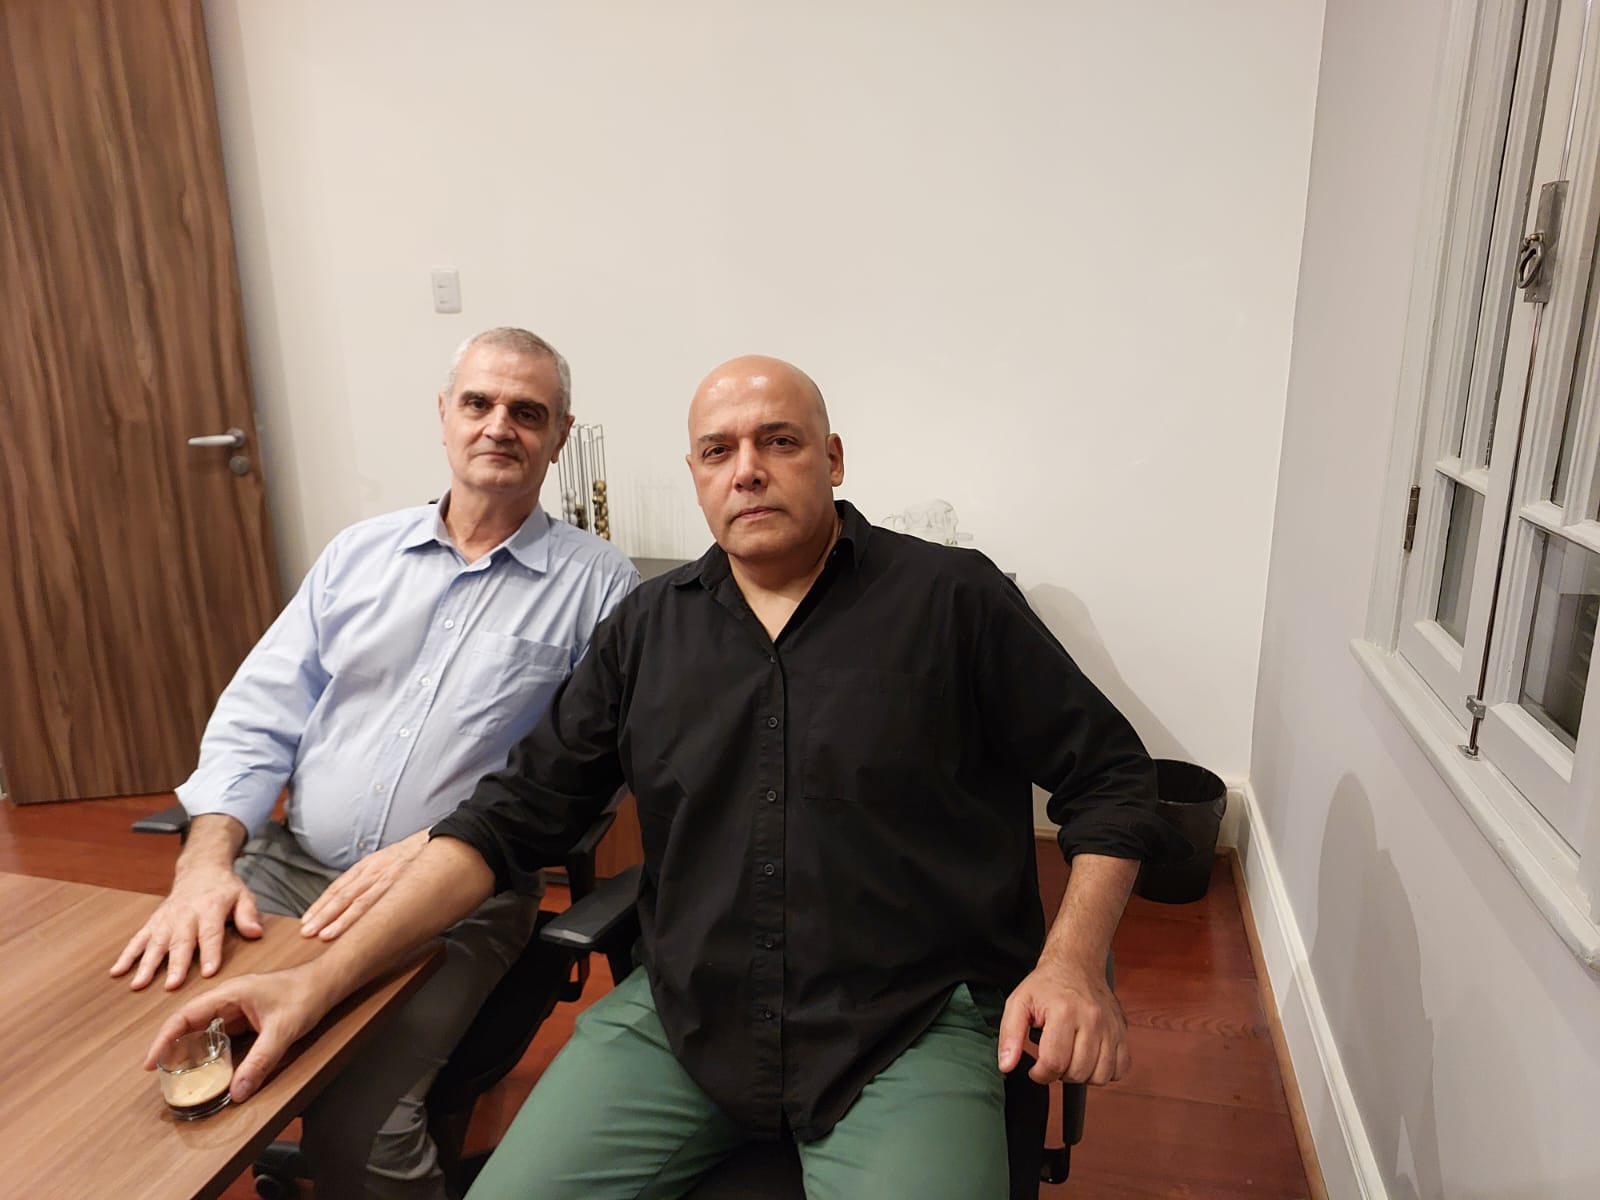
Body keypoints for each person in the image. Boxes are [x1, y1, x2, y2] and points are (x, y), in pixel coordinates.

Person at [149, 354, 1182, 1199]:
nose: (748, 471)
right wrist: (310, 985)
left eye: (779, 442)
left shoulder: (951, 599)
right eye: (718, 451)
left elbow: (1109, 778)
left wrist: (1071, 965)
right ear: (695, 475)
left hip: (906, 1023)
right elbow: (508, 823)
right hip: (688, 1019)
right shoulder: (648, 628)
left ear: (831, 458)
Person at [118, 327, 638, 1198]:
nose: (498, 426)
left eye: (527, 412)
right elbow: (257, 714)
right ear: (444, 414)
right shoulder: (358, 554)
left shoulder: (600, 585)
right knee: (134, 1048)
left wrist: (438, 845)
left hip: (455, 901)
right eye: (478, 403)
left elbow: (579, 774)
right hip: (287, 867)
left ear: (559, 435)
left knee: (361, 1132)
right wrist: (205, 864)